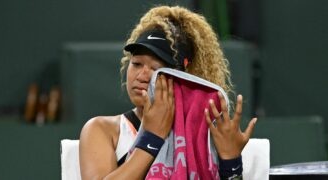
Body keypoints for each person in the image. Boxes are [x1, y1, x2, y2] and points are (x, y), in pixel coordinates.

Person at [79, 5, 257, 180]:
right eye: (136, 64)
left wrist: (231, 163)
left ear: (182, 77)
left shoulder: (205, 135)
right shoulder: (102, 129)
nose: (141, 75)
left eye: (156, 68)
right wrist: (152, 137)